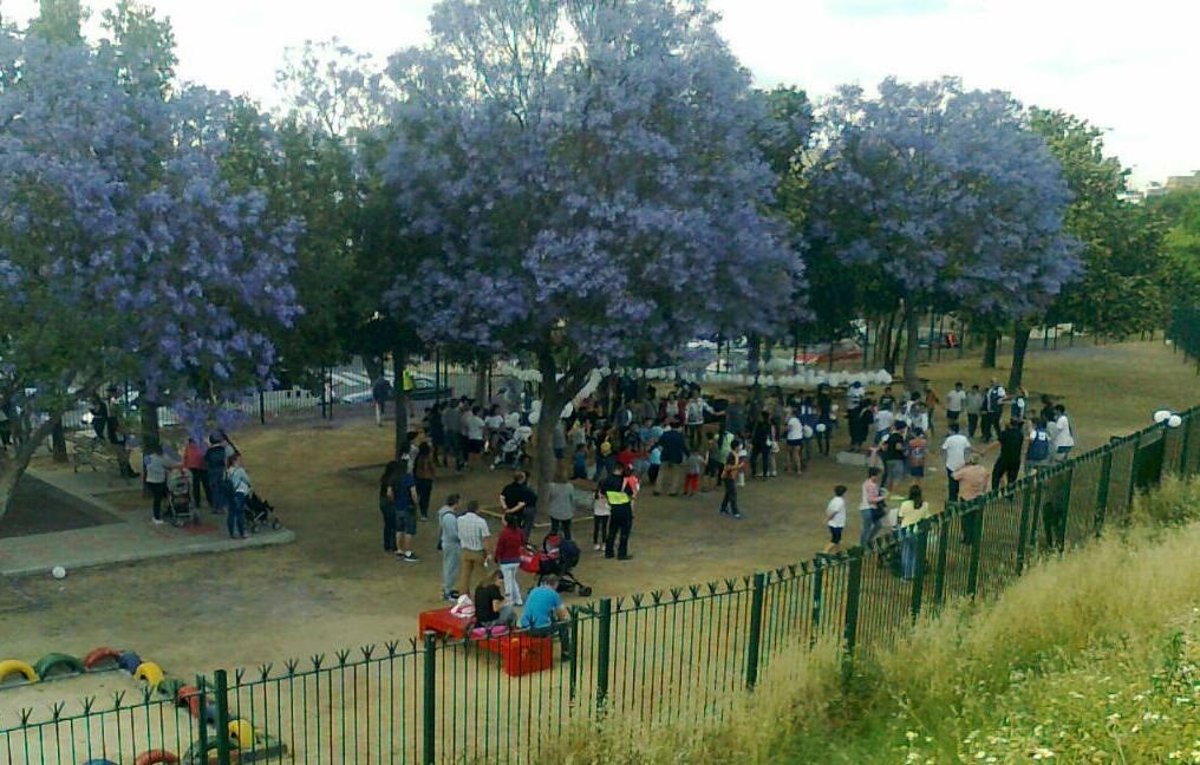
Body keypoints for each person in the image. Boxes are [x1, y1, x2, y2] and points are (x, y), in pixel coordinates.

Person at [519, 575, 573, 661]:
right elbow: (563, 613)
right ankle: (565, 653)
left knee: (547, 616)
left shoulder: (534, 590)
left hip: (525, 627)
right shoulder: (554, 594)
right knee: (563, 625)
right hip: (539, 629)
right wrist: (569, 621)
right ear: (556, 584)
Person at [456, 500, 492, 596]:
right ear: (477, 509)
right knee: (482, 575)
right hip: (477, 551)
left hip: (465, 550)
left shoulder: (459, 519)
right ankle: (486, 594)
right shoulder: (481, 522)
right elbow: (485, 539)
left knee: (465, 575)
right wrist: (489, 553)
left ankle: (463, 595)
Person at [952, 454, 989, 544]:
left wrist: (962, 466)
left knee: (966, 519)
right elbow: (986, 482)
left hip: (966, 497)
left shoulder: (966, 471)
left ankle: (967, 538)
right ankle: (974, 537)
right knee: (975, 519)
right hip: (978, 497)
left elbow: (954, 475)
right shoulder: (983, 470)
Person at [898, 484, 932, 580]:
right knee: (915, 554)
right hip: (917, 532)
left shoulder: (905, 504)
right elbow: (927, 518)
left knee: (906, 553)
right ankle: (914, 573)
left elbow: (900, 518)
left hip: (905, 531)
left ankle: (906, 575)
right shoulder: (924, 505)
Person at [602, 465, 635, 559]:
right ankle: (622, 553)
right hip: (624, 508)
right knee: (624, 532)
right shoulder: (623, 480)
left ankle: (609, 552)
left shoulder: (607, 480)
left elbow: (603, 491)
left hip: (614, 508)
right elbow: (630, 493)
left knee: (612, 531)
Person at [144, 445, 179, 525]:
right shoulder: (163, 458)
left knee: (163, 496)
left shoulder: (150, 457)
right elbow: (171, 465)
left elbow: (147, 465)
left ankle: (167, 510)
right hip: (159, 481)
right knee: (159, 498)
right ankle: (156, 517)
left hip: (150, 480)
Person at [494, 514, 526, 606]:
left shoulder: (504, 533)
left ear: (506, 521)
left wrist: (496, 557)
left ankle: (509, 600)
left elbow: (500, 547)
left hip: (506, 561)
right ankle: (518, 599)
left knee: (507, 581)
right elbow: (523, 542)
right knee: (513, 579)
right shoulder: (519, 532)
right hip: (516, 560)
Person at [391, 460, 419, 562]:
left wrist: (395, 501)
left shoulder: (394, 478)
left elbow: (389, 492)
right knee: (409, 530)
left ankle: (399, 550)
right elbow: (413, 493)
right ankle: (408, 552)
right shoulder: (408, 478)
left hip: (398, 507)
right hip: (408, 507)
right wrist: (416, 503)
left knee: (399, 529)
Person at [437, 494, 462, 601]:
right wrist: (462, 537)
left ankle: (448, 588)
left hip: (448, 543)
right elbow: (453, 534)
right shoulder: (449, 517)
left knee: (449, 566)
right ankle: (447, 591)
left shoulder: (445, 514)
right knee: (451, 567)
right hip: (451, 544)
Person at [654, 421, 687, 496]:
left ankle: (657, 489)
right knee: (676, 474)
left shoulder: (665, 434)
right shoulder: (679, 436)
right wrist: (687, 455)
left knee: (661, 473)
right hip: (676, 457)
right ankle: (673, 491)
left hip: (665, 455)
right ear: (679, 427)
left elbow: (659, 444)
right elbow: (683, 447)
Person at [941, 423, 971, 502]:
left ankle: (952, 500)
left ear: (951, 430)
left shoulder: (949, 439)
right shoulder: (963, 438)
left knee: (952, 483)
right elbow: (968, 448)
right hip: (961, 464)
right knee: (961, 482)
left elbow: (943, 449)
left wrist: (944, 458)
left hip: (951, 465)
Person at [991, 419, 1025, 491]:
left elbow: (996, 443)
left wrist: (984, 451)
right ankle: (1010, 495)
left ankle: (994, 492)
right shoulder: (1020, 435)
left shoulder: (1005, 433)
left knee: (996, 475)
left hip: (1004, 459)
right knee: (1012, 480)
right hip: (1016, 460)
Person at [225, 452, 252, 539]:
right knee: (240, 513)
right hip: (239, 493)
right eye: (238, 460)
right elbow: (248, 480)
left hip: (230, 493)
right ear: (234, 461)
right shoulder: (240, 471)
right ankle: (242, 533)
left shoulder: (227, 471)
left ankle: (231, 532)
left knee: (231, 513)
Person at [546, 466, 575, 540]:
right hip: (567, 512)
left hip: (554, 511)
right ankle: (568, 543)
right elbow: (572, 499)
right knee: (567, 530)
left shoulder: (551, 486)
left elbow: (549, 498)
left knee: (554, 529)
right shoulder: (570, 487)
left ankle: (552, 544)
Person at [859, 467, 885, 547]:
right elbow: (871, 499)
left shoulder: (867, 483)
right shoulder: (871, 485)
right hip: (869, 508)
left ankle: (866, 541)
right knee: (868, 528)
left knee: (877, 525)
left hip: (868, 508)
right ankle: (864, 545)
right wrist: (883, 497)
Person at [183, 437, 212, 510]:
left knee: (196, 486)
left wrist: (185, 466)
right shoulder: (203, 445)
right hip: (203, 467)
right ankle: (210, 501)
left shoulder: (188, 447)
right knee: (206, 485)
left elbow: (185, 457)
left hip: (193, 467)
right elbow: (208, 455)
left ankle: (197, 503)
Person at [378, 461, 401, 553]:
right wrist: (394, 500)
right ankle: (394, 545)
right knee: (395, 525)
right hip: (390, 503)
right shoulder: (393, 479)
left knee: (387, 525)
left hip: (383, 502)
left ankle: (387, 545)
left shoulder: (384, 478)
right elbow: (390, 493)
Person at [718, 441, 744, 519]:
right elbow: (728, 467)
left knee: (728, 493)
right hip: (728, 477)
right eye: (739, 446)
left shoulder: (734, 454)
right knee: (733, 494)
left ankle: (723, 508)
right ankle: (735, 512)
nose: (740, 448)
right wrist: (739, 466)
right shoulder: (731, 455)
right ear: (736, 447)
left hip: (730, 477)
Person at [205, 435, 229, 513]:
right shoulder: (222, 449)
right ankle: (223, 506)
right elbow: (225, 460)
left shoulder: (209, 450)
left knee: (215, 489)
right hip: (221, 469)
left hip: (212, 470)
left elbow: (206, 460)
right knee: (222, 488)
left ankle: (216, 507)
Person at [881, 421, 908, 491]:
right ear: (901, 428)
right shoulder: (899, 437)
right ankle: (894, 492)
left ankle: (888, 492)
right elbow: (898, 447)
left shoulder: (890, 436)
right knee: (897, 477)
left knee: (889, 477)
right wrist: (905, 448)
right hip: (897, 459)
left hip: (888, 459)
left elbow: (884, 447)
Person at [413, 442, 436, 521]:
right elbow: (432, 468)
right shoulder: (429, 458)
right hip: (427, 479)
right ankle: (424, 513)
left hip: (418, 478)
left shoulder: (418, 458)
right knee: (425, 497)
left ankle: (414, 511)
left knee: (417, 495)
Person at [823, 484, 848, 554]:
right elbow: (835, 512)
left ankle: (837, 552)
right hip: (837, 524)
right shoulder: (840, 502)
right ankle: (824, 552)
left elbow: (828, 510)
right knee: (835, 540)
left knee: (838, 539)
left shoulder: (833, 500)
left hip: (833, 523)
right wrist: (827, 519)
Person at [591, 487, 611, 552]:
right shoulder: (607, 494)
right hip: (605, 513)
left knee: (596, 529)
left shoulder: (595, 494)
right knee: (604, 529)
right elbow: (609, 503)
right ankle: (604, 544)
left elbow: (592, 504)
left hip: (597, 513)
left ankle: (595, 543)